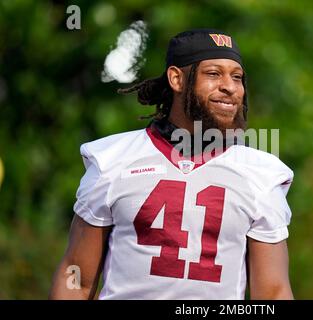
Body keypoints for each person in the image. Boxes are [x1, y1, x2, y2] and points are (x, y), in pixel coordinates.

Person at [49, 29, 294, 300]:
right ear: (177, 79)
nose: (230, 86)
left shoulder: (261, 173)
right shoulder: (113, 159)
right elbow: (77, 279)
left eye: (237, 77)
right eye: (214, 74)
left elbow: (272, 293)